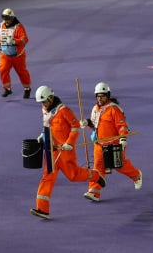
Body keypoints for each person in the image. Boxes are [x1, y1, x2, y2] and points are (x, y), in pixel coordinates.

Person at [30, 86, 106, 220]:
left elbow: (75, 127)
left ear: (51, 98)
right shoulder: (45, 110)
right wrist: (42, 136)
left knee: (73, 175)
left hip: (65, 151)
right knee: (47, 177)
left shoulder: (64, 110)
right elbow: (46, 127)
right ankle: (42, 209)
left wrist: (70, 143)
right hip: (51, 151)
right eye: (41, 103)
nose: (43, 105)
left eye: (44, 102)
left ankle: (95, 176)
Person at [81, 82, 142, 202]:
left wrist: (123, 139)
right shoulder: (95, 109)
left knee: (120, 166)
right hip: (99, 144)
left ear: (107, 96)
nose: (100, 99)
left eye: (102, 96)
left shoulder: (114, 109)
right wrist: (87, 123)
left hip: (114, 144)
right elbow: (95, 125)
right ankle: (94, 192)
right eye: (98, 96)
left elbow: (122, 125)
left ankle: (136, 175)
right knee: (97, 167)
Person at [0, 8, 32, 98]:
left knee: (22, 72)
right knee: (2, 69)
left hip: (18, 55)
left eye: (7, 18)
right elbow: (1, 37)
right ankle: (7, 89)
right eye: (4, 18)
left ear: (12, 18)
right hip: (5, 55)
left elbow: (25, 39)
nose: (5, 20)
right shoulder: (2, 25)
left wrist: (14, 41)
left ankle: (27, 89)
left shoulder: (19, 27)